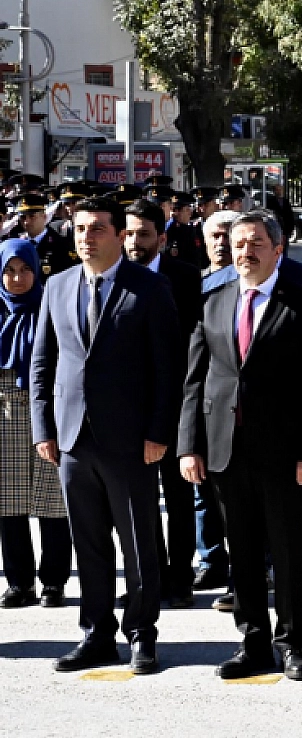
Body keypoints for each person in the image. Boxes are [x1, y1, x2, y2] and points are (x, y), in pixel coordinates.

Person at [178, 212, 302, 681]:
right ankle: (252, 641)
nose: (245, 252)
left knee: (288, 552)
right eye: (238, 244)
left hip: (287, 453)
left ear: (277, 249)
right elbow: (195, 380)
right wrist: (190, 445)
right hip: (226, 449)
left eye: (255, 244)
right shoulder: (214, 298)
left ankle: (291, 643)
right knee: (242, 551)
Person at [30, 196, 181, 675]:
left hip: (131, 439)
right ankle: (96, 633)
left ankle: (142, 633)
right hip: (73, 437)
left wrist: (159, 430)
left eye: (96, 228)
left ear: (119, 235)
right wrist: (43, 428)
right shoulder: (57, 286)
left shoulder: (150, 288)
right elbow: (42, 363)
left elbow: (168, 367)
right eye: (79, 228)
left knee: (138, 540)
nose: (86, 236)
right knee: (88, 541)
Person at [121, 200, 203, 611]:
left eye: (144, 234)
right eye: (130, 234)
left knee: (179, 496)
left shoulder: (186, 279)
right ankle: (147, 577)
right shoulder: (112, 278)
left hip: (176, 405)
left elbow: (195, 344)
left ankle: (180, 577)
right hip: (129, 411)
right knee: (138, 501)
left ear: (162, 238)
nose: (136, 242)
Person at [0, 240, 71, 610]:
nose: (17, 278)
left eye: (24, 269)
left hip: (49, 414)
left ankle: (54, 582)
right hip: (4, 417)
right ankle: (18, 583)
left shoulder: (50, 307)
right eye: (9, 271)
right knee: (8, 505)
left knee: (53, 504)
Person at [12, 192, 75, 278]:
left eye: (32, 216)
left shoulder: (61, 244)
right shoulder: (16, 243)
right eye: (23, 217)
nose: (26, 222)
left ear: (44, 217)